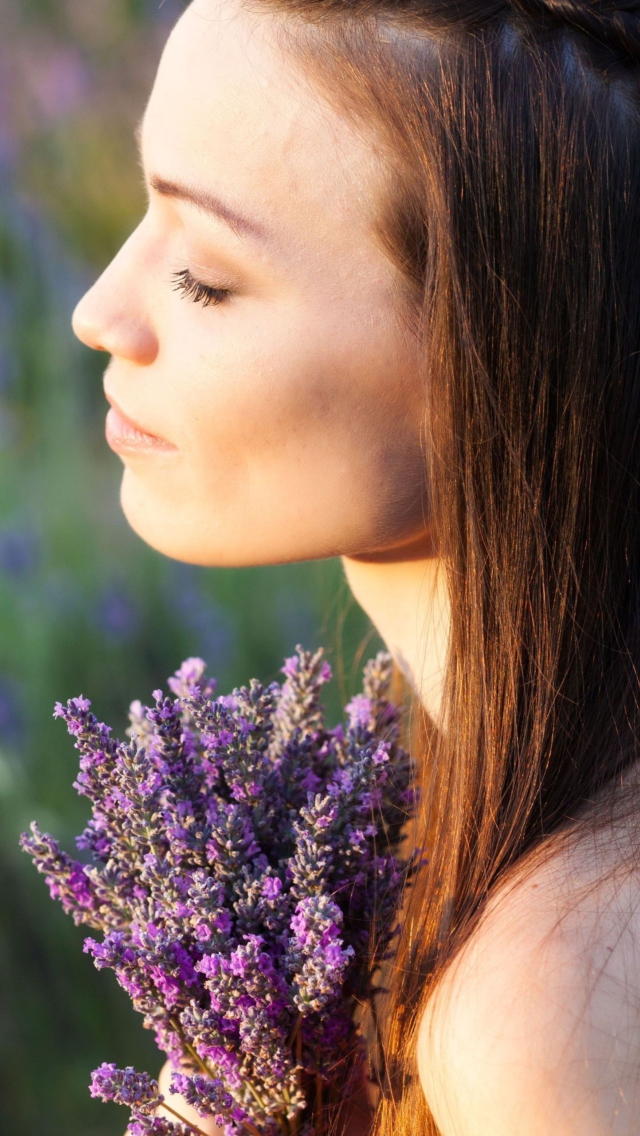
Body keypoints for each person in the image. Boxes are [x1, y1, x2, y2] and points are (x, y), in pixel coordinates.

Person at [71, 0, 640, 1132]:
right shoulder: (430, 791)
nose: (97, 312)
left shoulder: (551, 1007)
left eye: (204, 279)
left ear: (494, 358)